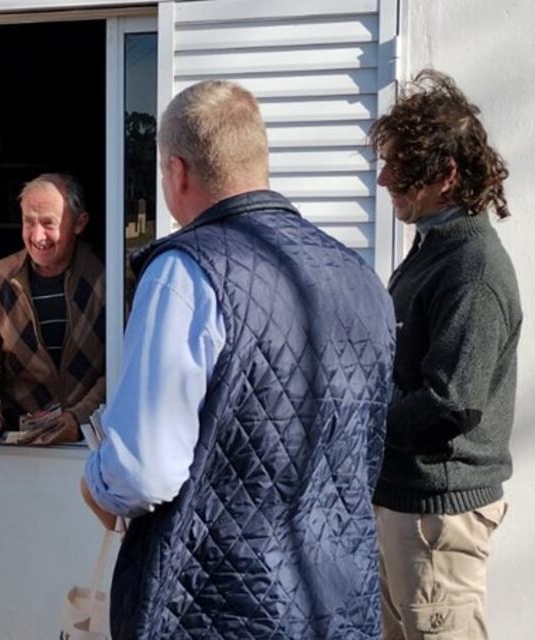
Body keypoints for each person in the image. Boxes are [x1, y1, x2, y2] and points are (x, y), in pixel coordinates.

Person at [80, 80, 396, 639]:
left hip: (214, 609)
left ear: (176, 172)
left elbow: (143, 471)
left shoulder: (184, 272)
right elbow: (366, 451)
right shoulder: (359, 277)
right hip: (340, 602)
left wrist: (96, 482)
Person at [369, 70, 521, 640]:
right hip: (412, 506)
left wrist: (369, 419)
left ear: (446, 175)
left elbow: (449, 403)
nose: (384, 177)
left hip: (436, 517)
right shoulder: (434, 249)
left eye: (399, 167)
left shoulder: (473, 270)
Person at [0, 173, 105, 452]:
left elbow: (125, 366)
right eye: (29, 222)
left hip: (91, 445)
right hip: (19, 450)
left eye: (48, 223)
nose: (37, 236)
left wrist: (80, 418)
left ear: (80, 223)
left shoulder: (107, 278)